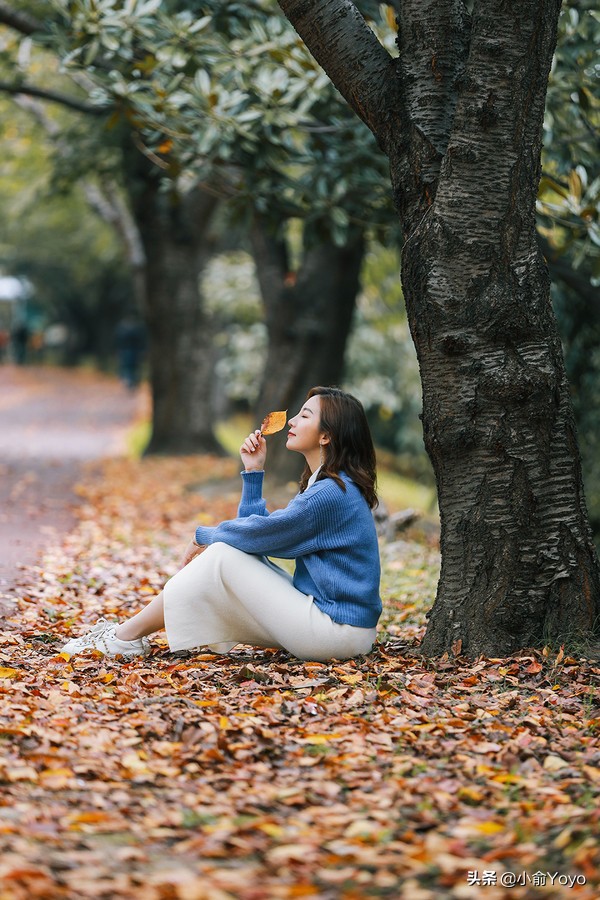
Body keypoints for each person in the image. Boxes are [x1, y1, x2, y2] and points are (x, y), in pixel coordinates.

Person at [62, 386, 382, 663]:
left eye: (306, 416)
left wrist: (205, 536)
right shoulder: (330, 486)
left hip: (337, 631)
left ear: (326, 435)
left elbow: (258, 535)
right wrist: (253, 472)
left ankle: (124, 636)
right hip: (337, 626)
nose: (294, 421)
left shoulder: (332, 493)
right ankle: (125, 635)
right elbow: (252, 537)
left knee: (222, 555)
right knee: (230, 553)